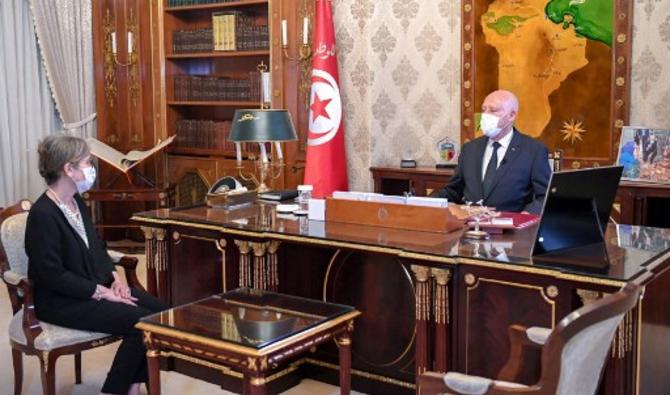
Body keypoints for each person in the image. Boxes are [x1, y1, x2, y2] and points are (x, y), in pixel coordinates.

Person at [25, 134, 167, 395]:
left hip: (95, 287)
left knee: (165, 313)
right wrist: (104, 294)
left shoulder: (76, 201)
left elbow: (98, 248)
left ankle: (132, 385)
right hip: (62, 301)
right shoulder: (42, 214)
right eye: (87, 163)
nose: (92, 169)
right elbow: (51, 275)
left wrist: (117, 281)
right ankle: (113, 390)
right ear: (68, 168)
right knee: (142, 322)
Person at [434, 90, 551, 214]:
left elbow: (545, 196)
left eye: (493, 110)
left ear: (511, 115)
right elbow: (453, 191)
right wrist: (425, 201)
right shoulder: (470, 149)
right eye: (484, 110)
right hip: (471, 227)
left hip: (511, 229)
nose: (485, 115)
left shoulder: (533, 150)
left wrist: (525, 216)